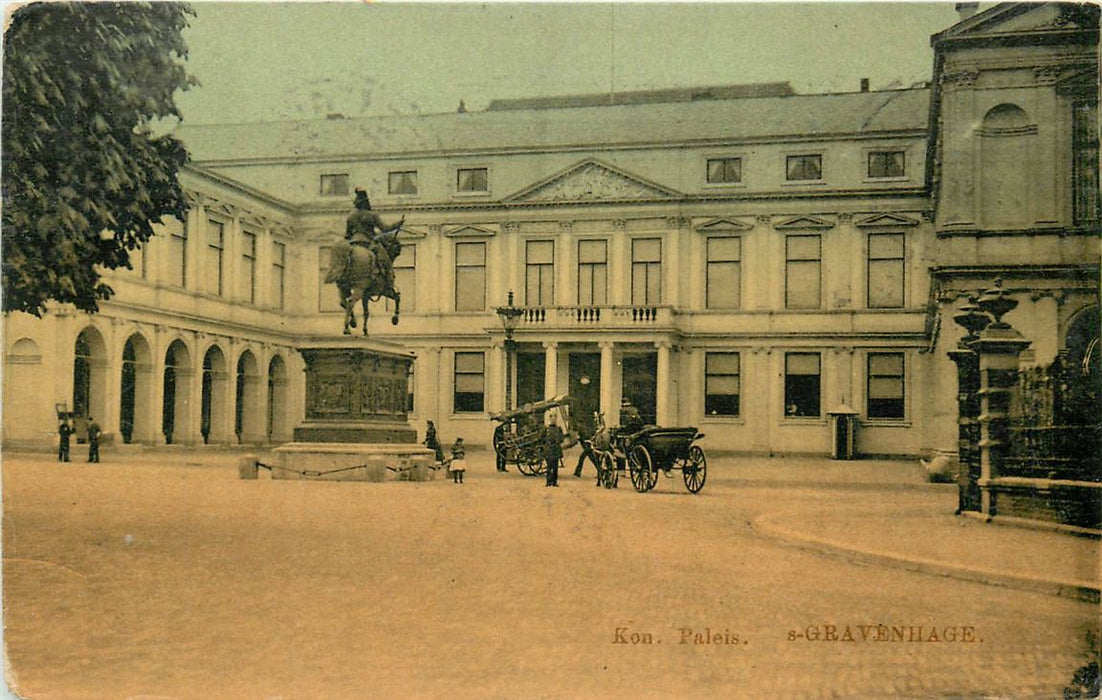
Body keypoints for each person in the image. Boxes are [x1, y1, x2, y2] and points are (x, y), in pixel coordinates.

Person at [345, 189, 404, 290]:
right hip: (368, 243)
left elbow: (347, 234)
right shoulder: (372, 215)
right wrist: (398, 224)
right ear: (366, 203)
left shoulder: (351, 216)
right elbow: (385, 229)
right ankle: (389, 284)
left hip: (353, 243)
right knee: (386, 261)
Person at [544, 413, 565, 487]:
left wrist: (558, 441)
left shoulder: (559, 428)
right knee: (549, 466)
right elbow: (542, 437)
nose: (553, 420)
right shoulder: (546, 428)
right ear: (550, 419)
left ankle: (554, 482)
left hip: (556, 449)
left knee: (555, 467)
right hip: (549, 449)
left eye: (555, 418)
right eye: (552, 418)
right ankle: (548, 482)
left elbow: (562, 438)